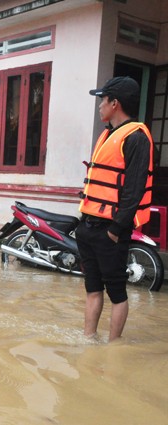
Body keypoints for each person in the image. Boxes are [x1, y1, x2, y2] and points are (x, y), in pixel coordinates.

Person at [76, 76, 154, 341]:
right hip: (88, 225)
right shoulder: (107, 135)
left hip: (110, 230)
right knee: (92, 288)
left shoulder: (137, 138)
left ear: (115, 103)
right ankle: (89, 340)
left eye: (102, 100)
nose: (99, 106)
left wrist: (116, 229)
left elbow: (134, 189)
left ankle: (113, 347)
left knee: (117, 293)